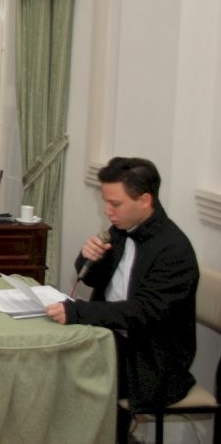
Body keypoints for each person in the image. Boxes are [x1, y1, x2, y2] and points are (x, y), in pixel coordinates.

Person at [45, 157, 198, 414]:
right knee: (46, 352)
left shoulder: (174, 250)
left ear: (145, 200)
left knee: (61, 368)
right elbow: (91, 280)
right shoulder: (121, 230)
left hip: (149, 358)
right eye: (105, 202)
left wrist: (78, 312)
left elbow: (143, 312)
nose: (107, 211)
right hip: (113, 337)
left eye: (115, 204)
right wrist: (89, 258)